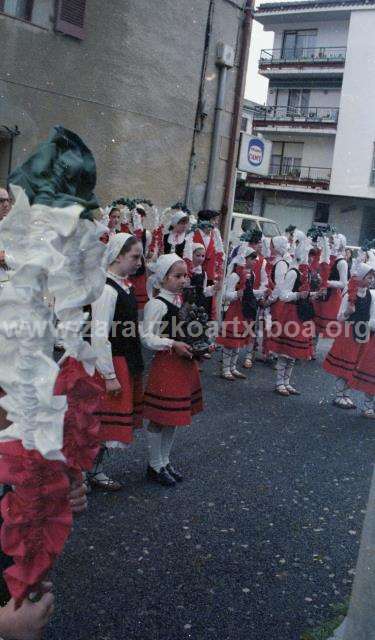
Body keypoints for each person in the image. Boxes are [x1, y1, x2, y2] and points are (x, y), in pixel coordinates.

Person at [141, 254, 203, 486]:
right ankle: (154, 465)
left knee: (173, 418)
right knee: (159, 418)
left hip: (183, 364)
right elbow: (147, 337)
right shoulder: (156, 304)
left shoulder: (180, 302)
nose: (183, 280)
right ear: (162, 278)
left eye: (185, 275)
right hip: (167, 365)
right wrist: (171, 344)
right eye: (177, 276)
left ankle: (165, 461)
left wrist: (200, 347)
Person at [89, 233, 144, 491]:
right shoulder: (107, 290)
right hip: (109, 364)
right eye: (134, 256)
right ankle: (79, 476)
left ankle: (95, 471)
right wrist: (109, 375)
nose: (138, 262)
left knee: (106, 425)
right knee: (95, 423)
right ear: (118, 255)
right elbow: (99, 336)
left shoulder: (123, 286)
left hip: (124, 360)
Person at [268, 231, 319, 396]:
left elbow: (303, 293)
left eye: (312, 255)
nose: (311, 258)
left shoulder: (306, 274)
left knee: (293, 354)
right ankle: (279, 382)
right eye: (309, 255)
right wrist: (299, 295)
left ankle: (287, 382)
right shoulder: (293, 272)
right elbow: (283, 295)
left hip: (301, 314)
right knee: (285, 352)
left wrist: (313, 295)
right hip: (291, 314)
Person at [323, 263, 375, 411]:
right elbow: (339, 317)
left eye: (372, 277)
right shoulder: (349, 293)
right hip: (349, 332)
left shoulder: (369, 294)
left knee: (354, 364)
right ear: (361, 277)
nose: (371, 280)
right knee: (345, 363)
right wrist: (348, 312)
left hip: (363, 332)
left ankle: (346, 394)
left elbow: (370, 315)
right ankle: (340, 394)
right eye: (368, 277)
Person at [217, 248, 259, 380]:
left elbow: (250, 292)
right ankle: (225, 368)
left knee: (239, 341)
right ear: (244, 258)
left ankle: (233, 367)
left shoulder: (251, 274)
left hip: (245, 310)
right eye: (251, 258)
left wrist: (261, 292)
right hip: (235, 310)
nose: (254, 261)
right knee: (230, 341)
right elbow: (225, 295)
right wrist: (236, 294)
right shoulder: (235, 275)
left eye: (254, 258)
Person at [314, 233, 348, 337]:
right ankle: (312, 349)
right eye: (330, 242)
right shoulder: (327, 258)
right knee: (314, 326)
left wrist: (327, 283)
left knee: (328, 330)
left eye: (333, 242)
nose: (330, 244)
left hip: (332, 298)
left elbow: (343, 283)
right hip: (320, 294)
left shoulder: (342, 262)